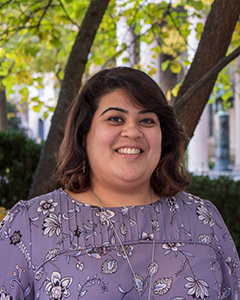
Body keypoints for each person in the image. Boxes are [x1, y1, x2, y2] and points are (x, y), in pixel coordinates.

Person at [0, 67, 239, 300]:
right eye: (115, 118)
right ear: (84, 134)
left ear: (163, 137)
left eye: (147, 120)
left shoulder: (203, 221)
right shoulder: (30, 226)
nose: (132, 131)